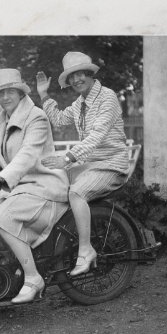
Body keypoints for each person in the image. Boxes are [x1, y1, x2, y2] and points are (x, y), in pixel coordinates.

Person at [0, 68, 69, 305]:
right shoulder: (3, 123)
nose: (6, 97)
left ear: (20, 93)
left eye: (11, 91)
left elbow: (27, 155)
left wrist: (1, 177)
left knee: (4, 217)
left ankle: (32, 278)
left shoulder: (36, 117)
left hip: (44, 186)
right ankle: (1, 284)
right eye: (1, 93)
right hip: (21, 188)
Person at [36, 51, 129, 276]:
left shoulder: (108, 97)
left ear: (90, 73)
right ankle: (51, 246)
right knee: (49, 181)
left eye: (81, 74)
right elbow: (58, 119)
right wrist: (44, 95)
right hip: (90, 165)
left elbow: (96, 136)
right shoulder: (80, 103)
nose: (77, 80)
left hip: (111, 165)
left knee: (77, 193)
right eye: (72, 76)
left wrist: (66, 159)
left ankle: (86, 250)